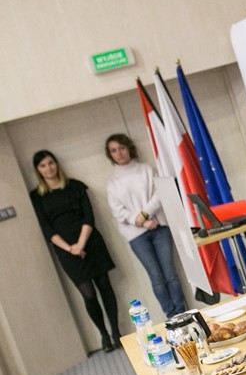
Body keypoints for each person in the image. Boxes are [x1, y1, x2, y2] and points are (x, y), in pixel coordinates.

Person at [29, 150, 121, 352]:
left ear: (57, 163)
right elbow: (46, 229)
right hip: (65, 250)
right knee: (88, 294)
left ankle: (116, 333)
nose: (48, 168)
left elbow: (89, 217)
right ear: (38, 170)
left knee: (104, 286)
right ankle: (104, 335)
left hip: (90, 242)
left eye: (51, 163)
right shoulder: (36, 197)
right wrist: (70, 248)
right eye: (43, 165)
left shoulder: (75, 186)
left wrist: (80, 244)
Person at [105, 133, 187, 319]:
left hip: (159, 228)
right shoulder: (112, 181)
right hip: (136, 235)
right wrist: (140, 220)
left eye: (121, 148)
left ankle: (182, 312)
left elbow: (159, 194)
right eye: (114, 150)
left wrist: (145, 214)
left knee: (170, 274)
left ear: (129, 148)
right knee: (156, 278)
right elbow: (117, 210)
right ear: (110, 155)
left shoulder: (146, 170)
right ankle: (171, 316)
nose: (119, 153)